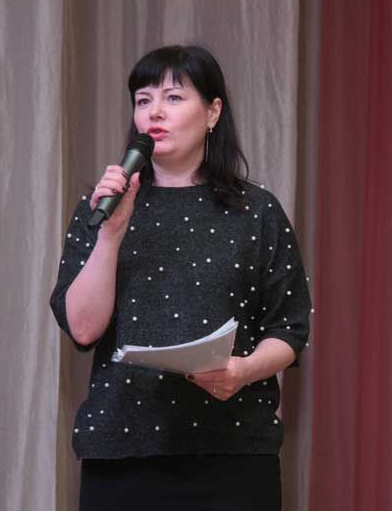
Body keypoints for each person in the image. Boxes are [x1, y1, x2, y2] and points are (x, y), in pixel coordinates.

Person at [50, 44, 311, 510]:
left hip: (233, 453)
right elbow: (83, 329)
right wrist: (110, 235)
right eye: (143, 99)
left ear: (213, 112)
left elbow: (289, 328)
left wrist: (243, 371)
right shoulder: (102, 209)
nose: (154, 112)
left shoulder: (257, 211)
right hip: (121, 451)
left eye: (173, 97)